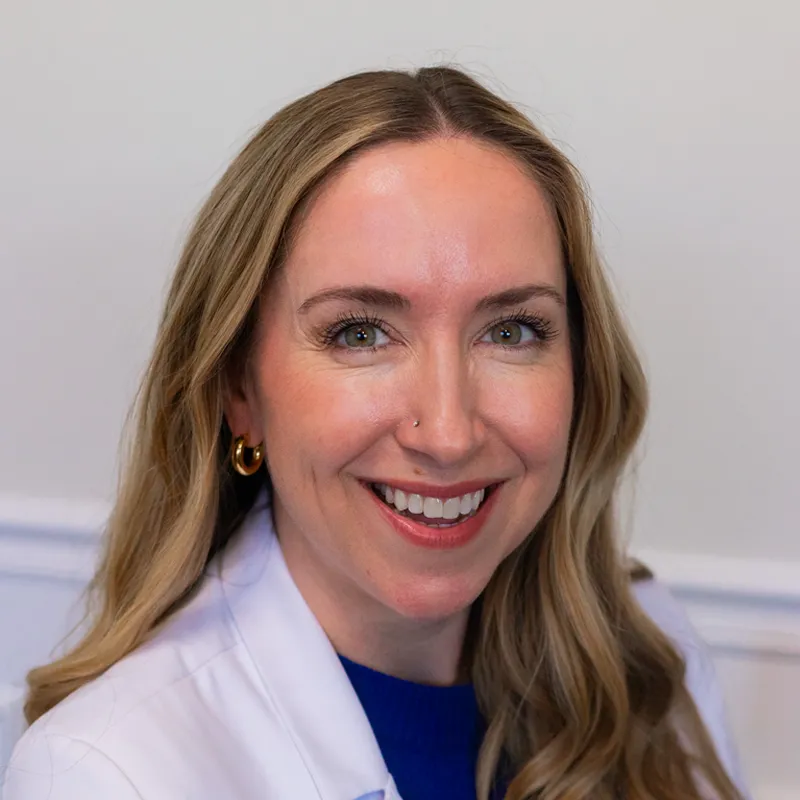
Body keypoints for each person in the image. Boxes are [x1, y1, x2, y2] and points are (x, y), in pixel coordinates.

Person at [2, 66, 749, 800]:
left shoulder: (648, 655)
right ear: (239, 393)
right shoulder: (108, 773)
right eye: (360, 333)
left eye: (513, 330)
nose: (448, 433)